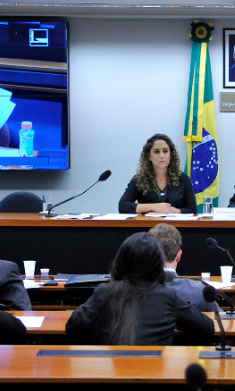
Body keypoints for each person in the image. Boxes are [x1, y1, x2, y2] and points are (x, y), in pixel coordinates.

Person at [65, 232, 214, 345]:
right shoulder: (167, 296)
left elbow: (72, 327)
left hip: (112, 378)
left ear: (121, 261)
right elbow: (207, 327)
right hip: (156, 379)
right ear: (157, 264)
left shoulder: (104, 292)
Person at [148, 223, 217, 314]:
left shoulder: (133, 290)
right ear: (179, 255)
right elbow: (222, 322)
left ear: (149, 254)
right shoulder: (200, 291)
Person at [118, 134, 196, 214]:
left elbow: (192, 210)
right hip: (148, 225)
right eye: (156, 152)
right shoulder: (139, 179)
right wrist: (154, 207)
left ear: (171, 155)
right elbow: (123, 206)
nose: (161, 156)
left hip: (176, 226)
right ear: (149, 156)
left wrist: (170, 211)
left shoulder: (183, 178)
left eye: (165, 151)